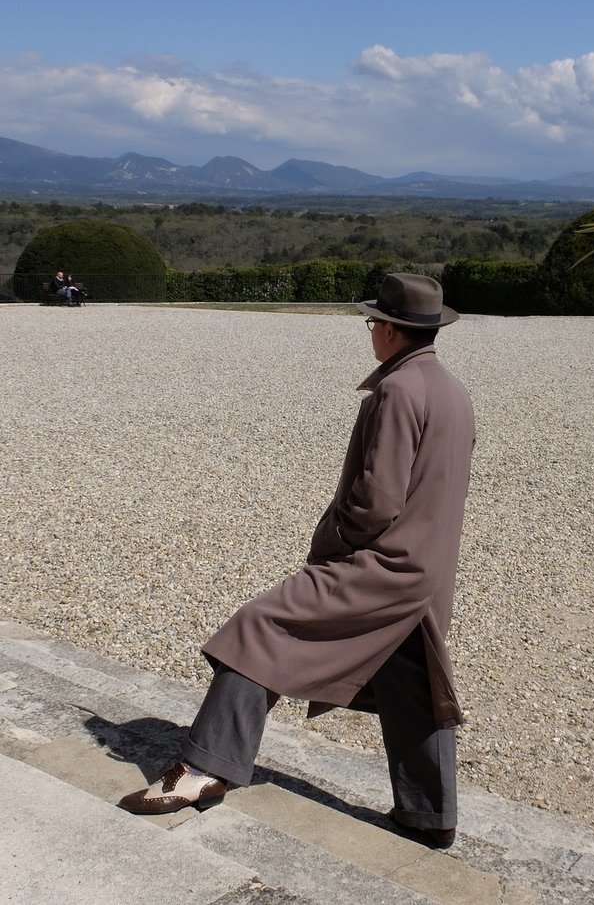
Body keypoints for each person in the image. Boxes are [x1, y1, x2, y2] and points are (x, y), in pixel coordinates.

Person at [118, 273, 476, 848]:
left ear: (388, 328)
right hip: (427, 570)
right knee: (414, 675)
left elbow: (377, 501)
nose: (370, 334)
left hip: (381, 566)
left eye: (371, 324)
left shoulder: (398, 391)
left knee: (260, 628)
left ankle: (204, 768)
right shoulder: (452, 390)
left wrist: (334, 536)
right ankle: (430, 816)